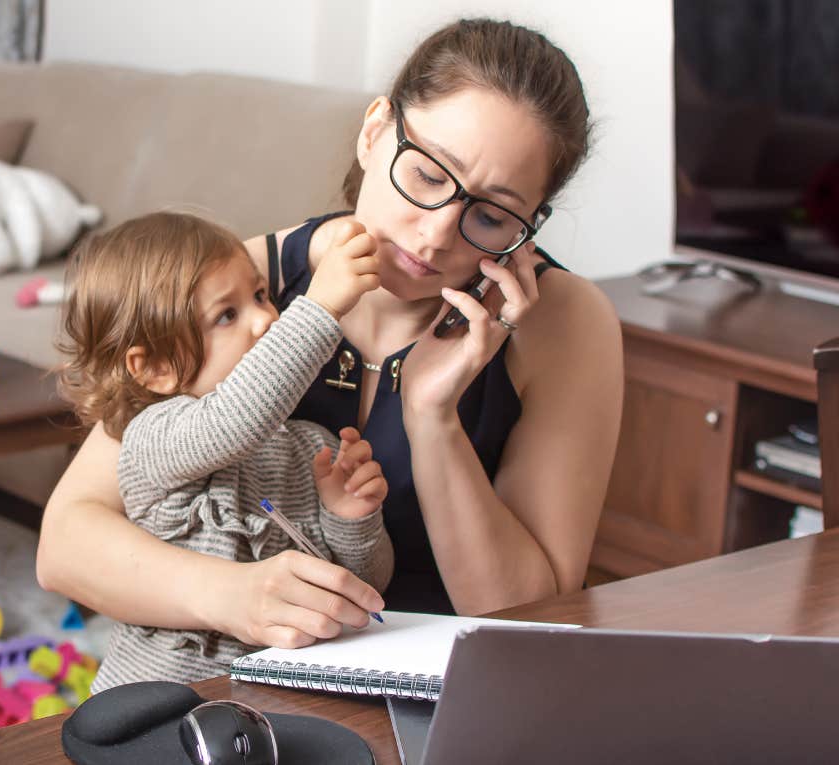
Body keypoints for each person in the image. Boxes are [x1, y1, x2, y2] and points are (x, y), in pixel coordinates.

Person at [38, 18, 623, 649]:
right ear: (374, 132)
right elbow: (66, 543)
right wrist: (231, 595)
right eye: (428, 176)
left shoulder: (564, 325)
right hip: (250, 667)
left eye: (490, 214)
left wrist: (433, 417)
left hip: (447, 682)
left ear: (529, 224)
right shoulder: (245, 286)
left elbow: (531, 622)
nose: (435, 235)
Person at [57, 212, 394, 690]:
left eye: (260, 295)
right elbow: (233, 420)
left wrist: (352, 518)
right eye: (227, 315)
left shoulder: (312, 447)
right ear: (154, 368)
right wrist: (320, 307)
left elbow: (367, 586)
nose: (266, 319)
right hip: (155, 706)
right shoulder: (151, 437)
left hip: (273, 700)